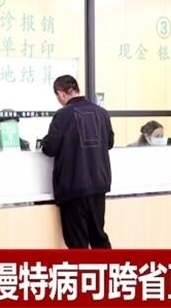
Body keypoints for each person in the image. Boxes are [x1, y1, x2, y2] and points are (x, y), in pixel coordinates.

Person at [41, 75, 114, 249]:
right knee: (99, 237)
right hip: (98, 185)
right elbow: (109, 143)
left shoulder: (62, 116)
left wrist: (44, 141)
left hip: (73, 188)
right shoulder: (102, 113)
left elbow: (50, 148)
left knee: (77, 243)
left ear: (61, 93)